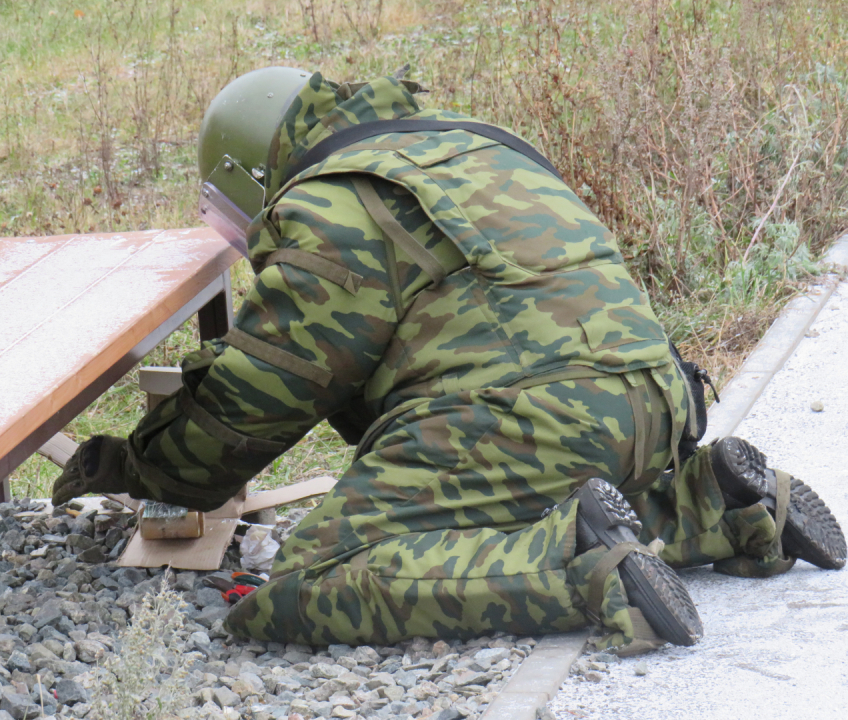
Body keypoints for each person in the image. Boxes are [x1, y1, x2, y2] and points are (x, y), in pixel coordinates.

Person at [53, 67, 845, 654]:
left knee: (308, 581)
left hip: (531, 416)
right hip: (655, 399)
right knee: (492, 506)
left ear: (249, 177)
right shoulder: (468, 146)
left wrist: (133, 464)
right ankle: (716, 502)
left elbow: (249, 410)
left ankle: (573, 559)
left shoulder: (333, 206)